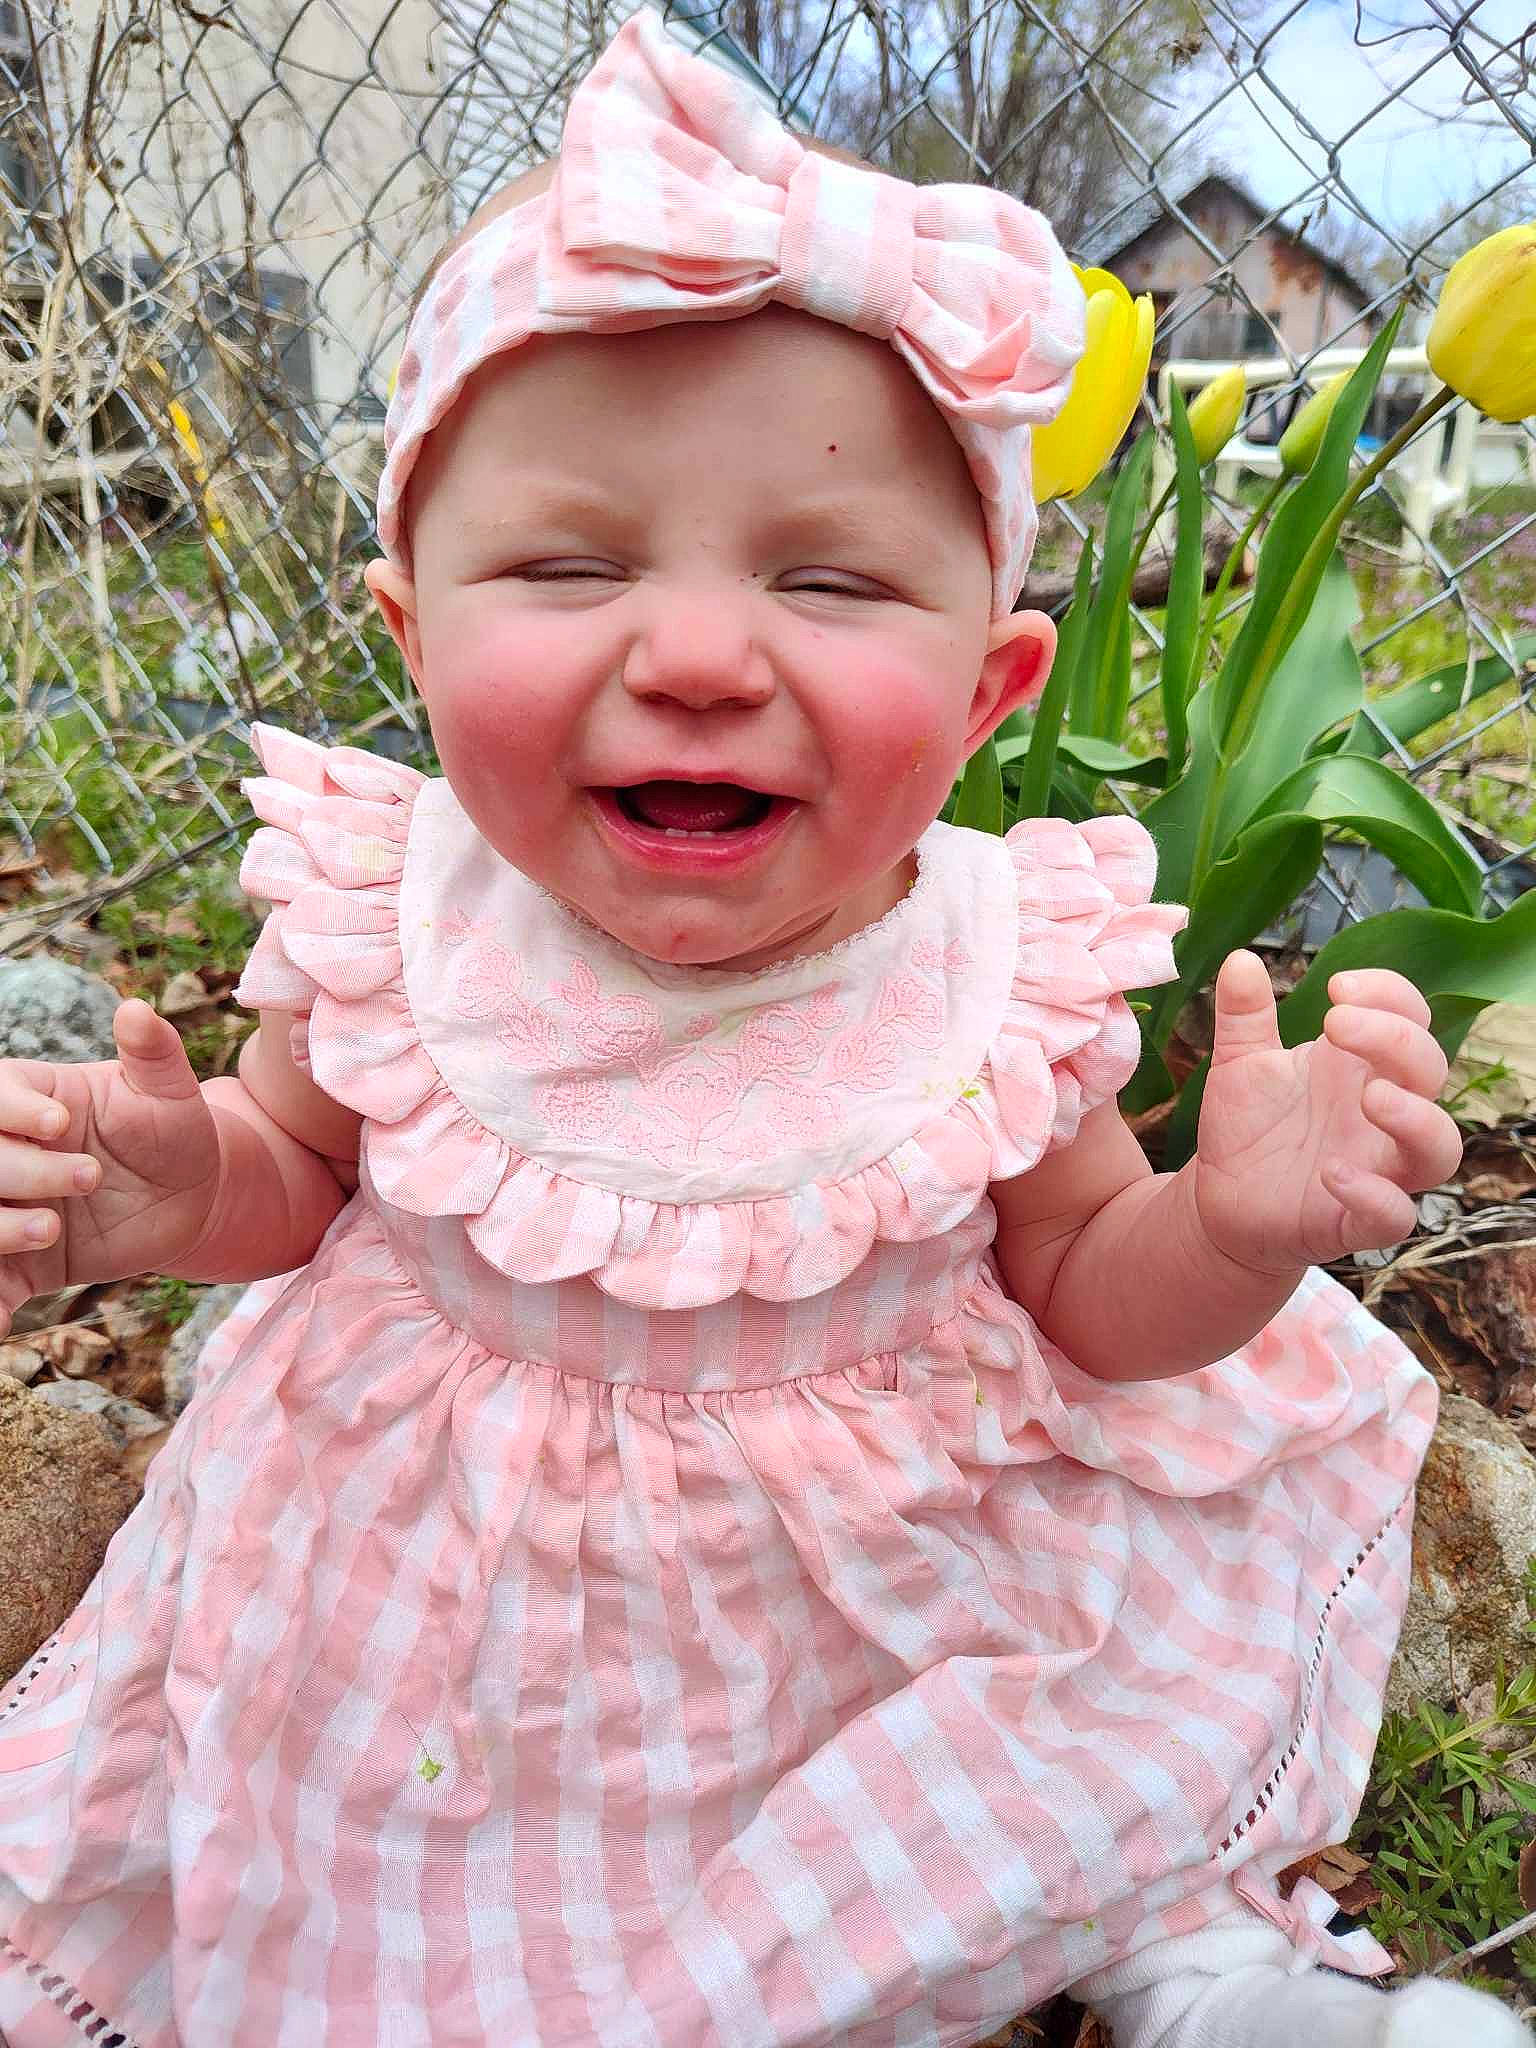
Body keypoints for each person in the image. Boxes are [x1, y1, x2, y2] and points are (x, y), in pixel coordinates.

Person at [0, 10, 1524, 2045]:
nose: (702, 654)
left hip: (886, 1611)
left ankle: (1193, 1952)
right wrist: (177, 1189)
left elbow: (1088, 1292)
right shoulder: (395, 914)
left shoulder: (995, 966)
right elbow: (296, 1175)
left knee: (1049, 1780)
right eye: (565, 563)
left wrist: (1231, 1230)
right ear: (411, 635)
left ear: (992, 692)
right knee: (384, 1899)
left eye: (827, 579)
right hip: (445, 1626)